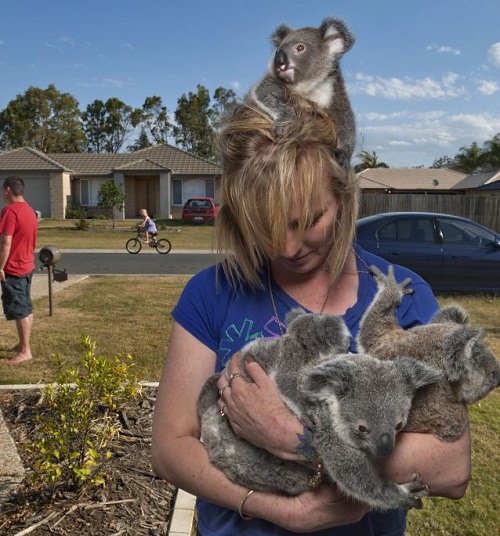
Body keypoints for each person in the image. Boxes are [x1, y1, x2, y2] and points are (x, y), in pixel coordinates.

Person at [151, 101, 471, 535]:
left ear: (342, 197)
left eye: (309, 221)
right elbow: (170, 449)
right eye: (265, 226)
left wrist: (298, 441)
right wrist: (282, 511)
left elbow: (452, 467)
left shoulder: (403, 300)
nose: (287, 247)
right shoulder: (211, 293)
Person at [0, 176, 38, 364]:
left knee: (19, 308)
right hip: (27, 264)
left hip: (14, 267)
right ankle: (23, 344)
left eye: (2, 191)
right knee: (25, 306)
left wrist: (0, 267)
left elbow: (6, 242)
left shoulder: (10, 211)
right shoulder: (30, 211)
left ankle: (25, 350)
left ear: (7, 190)